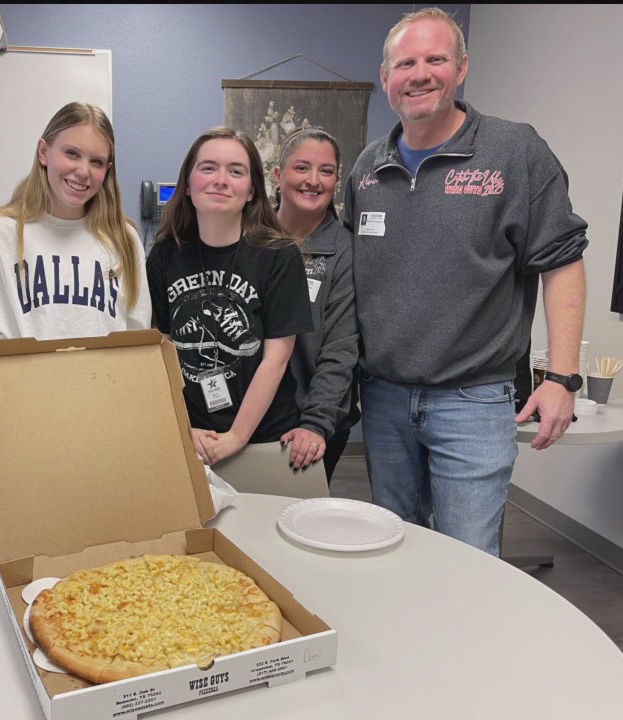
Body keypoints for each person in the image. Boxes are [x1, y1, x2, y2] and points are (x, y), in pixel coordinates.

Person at [344, 8, 588, 555]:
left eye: (436, 59)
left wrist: (562, 377)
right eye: (405, 63)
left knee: (471, 559)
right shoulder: (367, 168)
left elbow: (563, 261)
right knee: (391, 548)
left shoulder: (514, 152)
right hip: (383, 398)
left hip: (474, 401)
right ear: (386, 79)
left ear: (462, 68)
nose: (420, 73)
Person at [147, 128, 313, 467]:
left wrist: (237, 437)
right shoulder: (164, 254)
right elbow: (161, 350)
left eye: (236, 171)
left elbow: (276, 359)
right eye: (208, 168)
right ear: (188, 183)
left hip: (264, 435)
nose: (220, 180)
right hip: (192, 435)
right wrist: (182, 427)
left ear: (252, 190)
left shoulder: (279, 255)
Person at [0, 101, 149, 348]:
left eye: (96, 162)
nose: (83, 171)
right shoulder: (1, 234)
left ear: (107, 170)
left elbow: (137, 340)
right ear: (44, 152)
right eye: (72, 153)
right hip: (28, 386)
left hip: (107, 385)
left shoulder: (124, 239)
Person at [273, 128, 360, 481]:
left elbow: (342, 348)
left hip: (310, 422)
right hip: (246, 419)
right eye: (301, 168)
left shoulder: (346, 252)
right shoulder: (248, 237)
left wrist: (315, 422)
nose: (313, 181)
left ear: (337, 180)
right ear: (278, 175)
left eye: (326, 171)